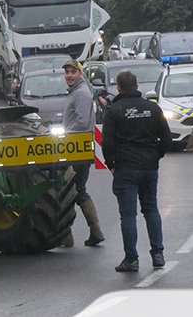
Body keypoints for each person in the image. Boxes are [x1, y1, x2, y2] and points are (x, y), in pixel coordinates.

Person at [101, 70, 172, 272]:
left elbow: (107, 143)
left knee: (128, 215)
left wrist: (111, 164)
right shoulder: (152, 108)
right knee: (151, 209)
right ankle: (158, 254)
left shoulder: (114, 111)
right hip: (149, 168)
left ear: (119, 88)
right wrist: (155, 156)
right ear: (137, 87)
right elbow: (166, 139)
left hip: (126, 168)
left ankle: (131, 259)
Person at [61, 58, 105, 247]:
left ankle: (93, 230)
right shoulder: (76, 92)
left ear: (80, 74)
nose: (69, 76)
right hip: (75, 149)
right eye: (67, 73)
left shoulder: (81, 94)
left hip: (77, 150)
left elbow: (81, 123)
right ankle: (69, 234)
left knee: (74, 190)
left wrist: (62, 136)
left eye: (73, 72)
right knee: (70, 191)